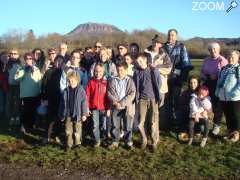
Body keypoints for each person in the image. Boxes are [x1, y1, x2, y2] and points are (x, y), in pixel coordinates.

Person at [163, 29, 193, 126]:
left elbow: (186, 62)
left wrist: (183, 78)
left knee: (176, 100)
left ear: (176, 36)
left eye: (173, 35)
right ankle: (167, 120)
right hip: (165, 78)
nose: (170, 37)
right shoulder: (162, 47)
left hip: (177, 78)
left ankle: (177, 121)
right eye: (169, 35)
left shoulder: (181, 47)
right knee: (166, 100)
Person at [133, 54, 161, 150]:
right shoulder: (136, 72)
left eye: (141, 61)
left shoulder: (152, 70)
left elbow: (159, 82)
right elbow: (136, 86)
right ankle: (143, 139)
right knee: (141, 122)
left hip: (153, 99)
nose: (139, 63)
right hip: (142, 100)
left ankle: (154, 141)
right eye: (138, 62)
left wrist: (155, 69)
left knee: (154, 121)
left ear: (145, 61)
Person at [201, 42, 228, 136]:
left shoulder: (222, 60)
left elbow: (226, 74)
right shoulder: (206, 60)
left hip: (218, 85)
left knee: (217, 106)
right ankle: (205, 123)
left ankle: (217, 125)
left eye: (214, 49)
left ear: (218, 50)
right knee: (205, 104)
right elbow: (202, 72)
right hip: (207, 84)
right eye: (210, 49)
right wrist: (204, 77)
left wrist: (216, 76)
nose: (212, 51)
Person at [108, 61, 136, 149]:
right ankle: (115, 141)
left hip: (127, 107)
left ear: (126, 70)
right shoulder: (113, 80)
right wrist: (115, 102)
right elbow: (109, 93)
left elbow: (132, 93)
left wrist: (122, 103)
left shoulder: (130, 80)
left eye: (122, 70)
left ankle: (128, 141)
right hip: (116, 106)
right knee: (115, 125)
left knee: (127, 125)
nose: (120, 72)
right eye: (118, 70)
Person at [58, 72, 88, 151]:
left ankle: (77, 143)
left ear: (77, 81)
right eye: (69, 81)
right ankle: (68, 144)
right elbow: (62, 103)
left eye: (73, 81)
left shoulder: (81, 90)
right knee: (68, 130)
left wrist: (84, 114)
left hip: (77, 114)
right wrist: (61, 114)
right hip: (67, 114)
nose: (71, 83)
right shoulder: (65, 91)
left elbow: (84, 102)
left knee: (77, 130)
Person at [215, 50, 240, 142]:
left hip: (235, 98)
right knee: (228, 116)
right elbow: (219, 82)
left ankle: (236, 134)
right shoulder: (224, 68)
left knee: (235, 116)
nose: (230, 58)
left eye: (233, 57)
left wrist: (235, 93)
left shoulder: (238, 68)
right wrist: (217, 92)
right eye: (229, 57)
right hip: (223, 97)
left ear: (238, 58)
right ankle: (230, 132)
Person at [14, 53, 42, 134]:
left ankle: (30, 126)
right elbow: (17, 79)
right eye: (27, 58)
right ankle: (23, 126)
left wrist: (40, 92)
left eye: (30, 58)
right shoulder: (21, 68)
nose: (29, 60)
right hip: (25, 95)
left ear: (33, 59)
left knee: (33, 111)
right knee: (25, 111)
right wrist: (24, 71)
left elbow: (39, 81)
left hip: (35, 94)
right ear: (25, 59)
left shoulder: (36, 69)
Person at [41, 55, 65, 144]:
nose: (59, 63)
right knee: (49, 119)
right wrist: (44, 98)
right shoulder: (49, 72)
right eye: (57, 61)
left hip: (61, 99)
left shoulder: (64, 72)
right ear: (54, 62)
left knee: (59, 119)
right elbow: (43, 86)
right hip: (50, 99)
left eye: (61, 62)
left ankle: (57, 136)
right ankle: (46, 136)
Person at [86, 63, 111, 147]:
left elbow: (108, 97)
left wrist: (108, 108)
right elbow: (87, 95)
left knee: (104, 126)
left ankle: (104, 139)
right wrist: (87, 107)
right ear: (94, 71)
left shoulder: (106, 82)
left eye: (100, 71)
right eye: (96, 71)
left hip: (104, 108)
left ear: (103, 71)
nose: (98, 73)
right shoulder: (91, 82)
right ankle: (97, 140)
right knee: (95, 125)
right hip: (94, 108)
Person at [145, 34, 172, 107]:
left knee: (160, 107)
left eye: (157, 42)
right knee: (148, 108)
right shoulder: (145, 53)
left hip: (161, 86)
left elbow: (169, 69)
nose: (155, 43)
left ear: (161, 44)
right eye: (154, 41)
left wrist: (156, 68)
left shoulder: (164, 55)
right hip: (147, 85)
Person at [6, 49, 22, 126]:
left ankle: (18, 117)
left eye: (15, 53)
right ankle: (12, 117)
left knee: (17, 102)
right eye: (11, 53)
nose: (13, 55)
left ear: (18, 55)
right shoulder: (8, 64)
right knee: (11, 102)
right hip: (10, 86)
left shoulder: (21, 64)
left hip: (18, 86)